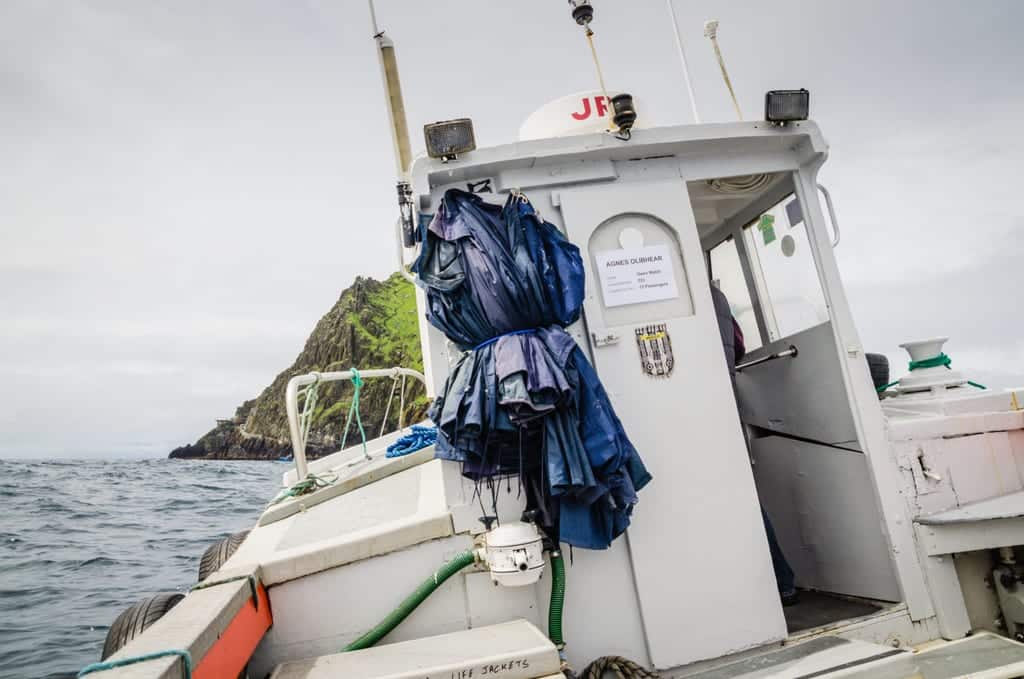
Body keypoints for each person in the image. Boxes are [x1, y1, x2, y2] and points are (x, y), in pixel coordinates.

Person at [710, 283, 798, 607]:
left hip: (697, 411)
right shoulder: (716, 295)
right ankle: (782, 583)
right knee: (744, 496)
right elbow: (738, 345)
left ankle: (756, 589)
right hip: (726, 405)